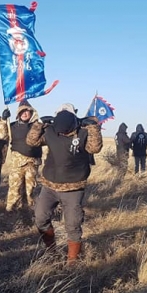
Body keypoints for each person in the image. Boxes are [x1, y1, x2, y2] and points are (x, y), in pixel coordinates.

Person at [26, 108, 103, 264]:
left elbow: (95, 148)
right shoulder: (51, 131)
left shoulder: (83, 132)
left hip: (73, 188)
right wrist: (38, 124)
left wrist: (93, 127)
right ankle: (52, 251)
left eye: (65, 132)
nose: (62, 135)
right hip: (49, 186)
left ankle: (72, 261)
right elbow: (31, 141)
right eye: (60, 132)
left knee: (73, 225)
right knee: (40, 217)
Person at [2, 100, 41, 212]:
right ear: (18, 113)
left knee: (30, 189)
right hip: (17, 164)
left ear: (31, 112)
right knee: (15, 188)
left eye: (27, 111)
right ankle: (11, 211)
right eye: (22, 111)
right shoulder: (12, 126)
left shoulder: (37, 127)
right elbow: (2, 135)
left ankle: (29, 211)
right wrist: (3, 121)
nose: (24, 113)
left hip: (32, 163)